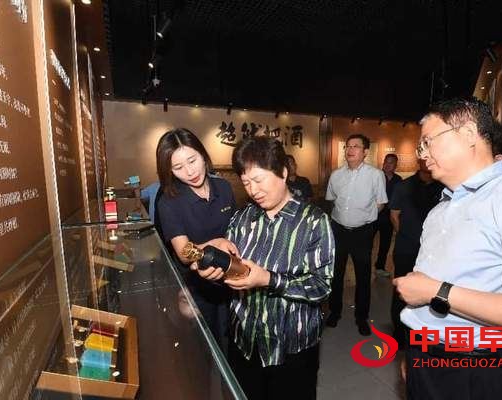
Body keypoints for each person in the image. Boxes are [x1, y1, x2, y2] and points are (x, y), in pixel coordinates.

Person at [393, 98, 502, 400]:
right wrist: (416, 353)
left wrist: (436, 291)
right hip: (426, 357)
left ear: (467, 134)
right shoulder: (442, 207)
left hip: (476, 368)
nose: (422, 154)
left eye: (428, 142)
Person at [194, 136, 334, 400]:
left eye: (258, 180)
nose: (253, 190)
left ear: (283, 172)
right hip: (244, 343)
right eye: (246, 182)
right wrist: (213, 274)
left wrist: (269, 279)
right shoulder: (241, 218)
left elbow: (321, 287)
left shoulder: (314, 221)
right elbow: (233, 273)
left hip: (292, 347)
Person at [155, 128, 237, 345]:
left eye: (192, 160)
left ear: (203, 154)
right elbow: (184, 252)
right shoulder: (169, 201)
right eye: (178, 167)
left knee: (231, 341)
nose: (190, 171)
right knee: (205, 347)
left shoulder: (224, 187)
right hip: (195, 288)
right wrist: (216, 244)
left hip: (229, 278)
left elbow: (235, 230)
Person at [325, 133, 387, 335]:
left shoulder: (375, 175)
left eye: (356, 146)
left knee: (363, 276)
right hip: (338, 231)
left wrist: (363, 217)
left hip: (362, 233)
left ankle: (361, 317)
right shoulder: (336, 175)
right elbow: (332, 200)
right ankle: (334, 312)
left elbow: (381, 203)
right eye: (348, 146)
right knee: (336, 274)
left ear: (365, 152)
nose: (350, 150)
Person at [388, 158, 443, 346]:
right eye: (423, 158)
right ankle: (399, 333)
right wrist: (405, 234)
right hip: (406, 248)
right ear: (418, 162)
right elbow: (394, 215)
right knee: (401, 290)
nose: (427, 161)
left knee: (430, 292)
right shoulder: (404, 186)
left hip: (435, 251)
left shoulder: (443, 187)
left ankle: (423, 334)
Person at [373, 153, 402, 277]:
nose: (387, 165)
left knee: (385, 244)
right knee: (367, 243)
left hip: (389, 217)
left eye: (391, 163)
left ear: (396, 165)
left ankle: (380, 267)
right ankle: (364, 267)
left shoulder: (398, 180)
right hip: (374, 215)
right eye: (386, 162)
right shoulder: (376, 176)